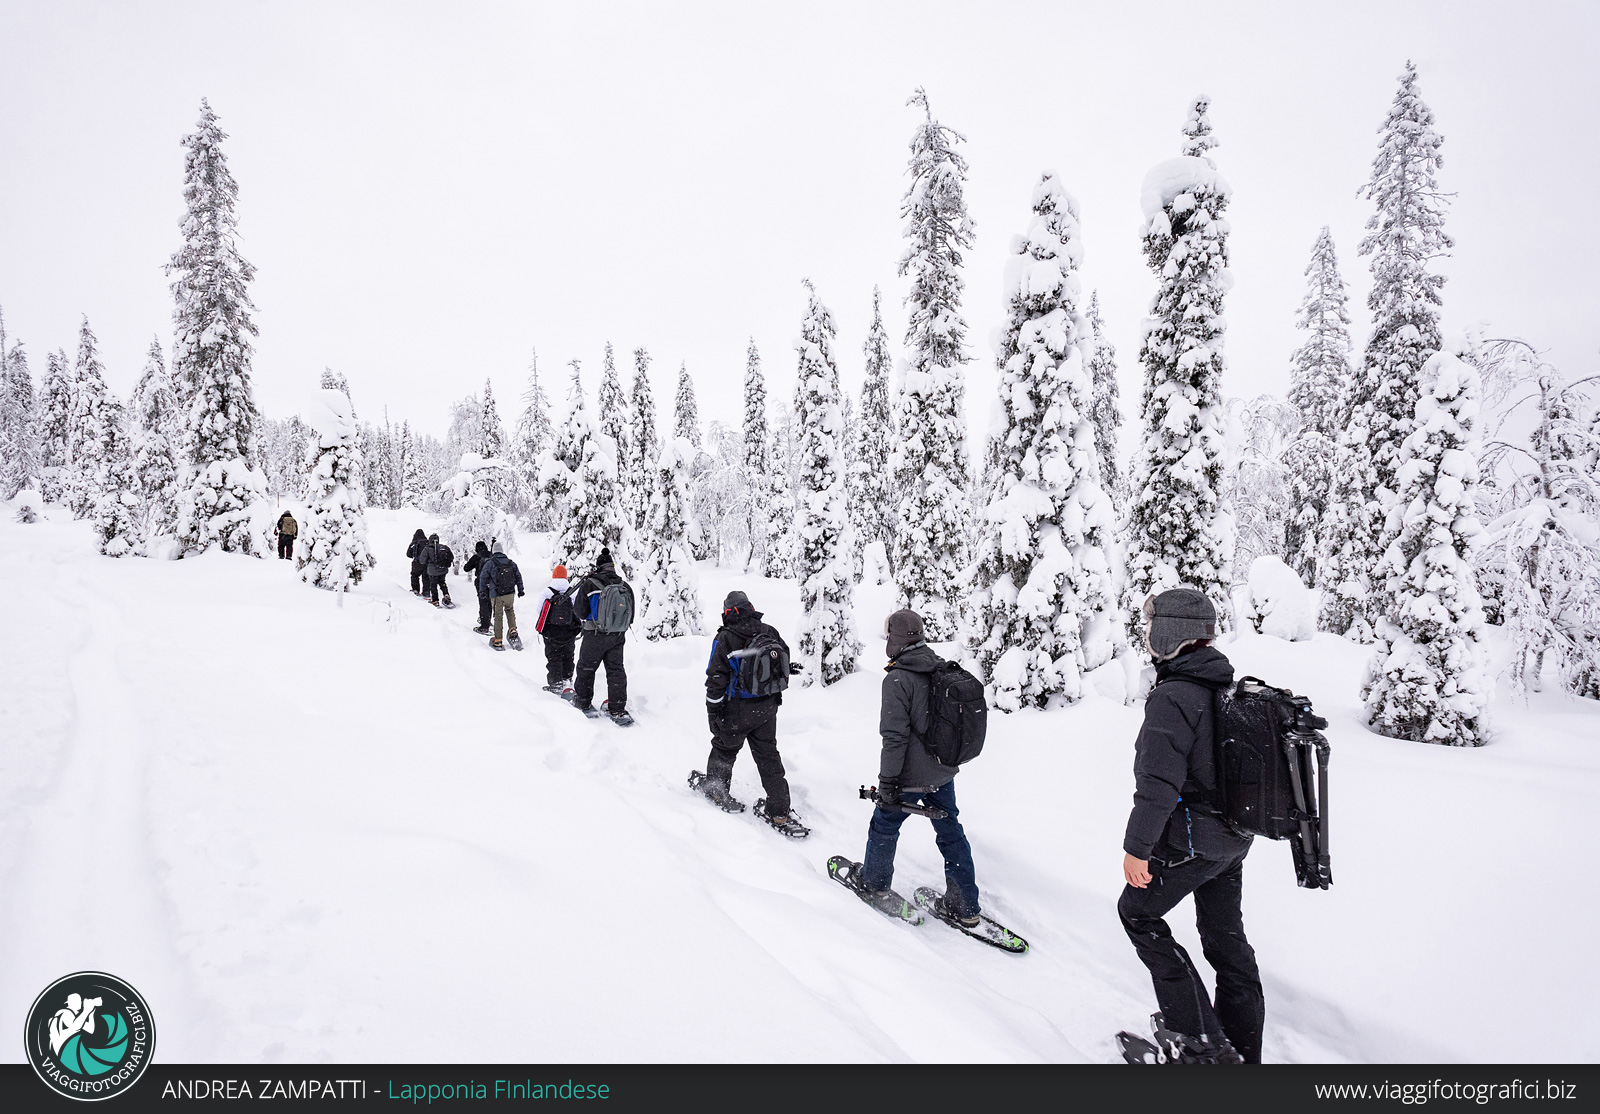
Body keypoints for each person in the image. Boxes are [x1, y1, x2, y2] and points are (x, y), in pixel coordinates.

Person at [1118, 588, 1262, 1065]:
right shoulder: (1224, 685)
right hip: (1233, 842)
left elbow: (1157, 783)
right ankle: (1240, 1049)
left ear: (1170, 633)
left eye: (1151, 627)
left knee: (1138, 914)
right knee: (1225, 940)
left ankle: (1197, 1042)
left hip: (1191, 842)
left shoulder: (1173, 697)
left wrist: (1137, 848)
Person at [856, 609, 981, 926]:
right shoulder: (939, 668)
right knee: (951, 834)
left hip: (908, 777)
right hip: (942, 773)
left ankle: (874, 884)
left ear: (894, 638)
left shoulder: (897, 679)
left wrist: (887, 784)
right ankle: (966, 907)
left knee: (884, 826)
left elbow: (894, 738)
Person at [700, 591, 803, 831]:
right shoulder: (768, 630)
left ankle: (716, 791)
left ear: (727, 613)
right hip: (767, 707)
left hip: (737, 709)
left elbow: (716, 677)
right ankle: (779, 811)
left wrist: (712, 711)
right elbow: (784, 659)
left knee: (724, 750)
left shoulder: (725, 638)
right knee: (768, 756)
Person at [571, 547, 629, 722]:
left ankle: (582, 702)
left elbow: (579, 611)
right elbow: (630, 614)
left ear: (598, 567)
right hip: (618, 635)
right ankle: (617, 707)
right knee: (616, 671)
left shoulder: (590, 584)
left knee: (586, 668)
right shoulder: (623, 585)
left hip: (594, 634)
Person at [537, 564, 581, 694]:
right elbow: (578, 610)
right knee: (568, 655)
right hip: (569, 631)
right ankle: (567, 680)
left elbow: (539, 610)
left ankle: (555, 683)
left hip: (552, 631)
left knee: (553, 656)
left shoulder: (547, 592)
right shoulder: (573, 591)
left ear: (554, 576)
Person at [479, 541, 524, 650]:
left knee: (498, 616)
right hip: (510, 593)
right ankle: (513, 630)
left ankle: (498, 640)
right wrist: (520, 590)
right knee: (510, 610)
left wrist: (482, 592)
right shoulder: (510, 563)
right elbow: (518, 576)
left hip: (496, 594)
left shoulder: (490, 563)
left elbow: (483, 578)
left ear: (493, 551)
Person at [464, 540, 492, 634]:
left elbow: (466, 568)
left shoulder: (477, 556)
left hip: (481, 582)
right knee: (490, 601)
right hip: (492, 582)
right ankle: (487, 620)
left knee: (483, 602)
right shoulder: (492, 555)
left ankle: (484, 626)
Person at [419, 532, 453, 607]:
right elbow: (451, 557)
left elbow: (422, 560)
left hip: (432, 570)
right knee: (442, 583)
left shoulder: (427, 548)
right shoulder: (444, 547)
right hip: (443, 570)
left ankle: (435, 600)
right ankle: (446, 594)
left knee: (433, 585)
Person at [406, 528, 429, 595]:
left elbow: (408, 554)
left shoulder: (414, 543)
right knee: (426, 577)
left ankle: (415, 589)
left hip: (417, 562)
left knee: (414, 576)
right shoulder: (428, 542)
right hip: (426, 563)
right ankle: (426, 592)